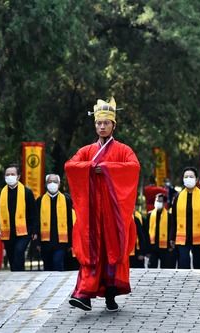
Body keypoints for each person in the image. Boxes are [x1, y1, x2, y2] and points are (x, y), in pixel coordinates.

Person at [66, 97, 140, 312]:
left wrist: (106, 168)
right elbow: (70, 165)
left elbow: (134, 167)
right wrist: (89, 168)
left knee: (111, 253)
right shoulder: (87, 151)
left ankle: (110, 294)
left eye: (106, 123)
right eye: (99, 123)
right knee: (90, 252)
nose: (102, 126)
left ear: (113, 125)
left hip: (112, 213)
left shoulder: (124, 150)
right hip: (91, 214)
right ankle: (83, 294)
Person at [0, 164, 38, 271]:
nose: (10, 176)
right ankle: (17, 275)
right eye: (7, 174)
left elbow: (33, 213)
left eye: (12, 174)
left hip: (24, 231)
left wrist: (35, 231)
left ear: (18, 176)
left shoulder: (27, 192)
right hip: (7, 232)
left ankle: (19, 275)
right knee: (12, 256)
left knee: (19, 251)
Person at [170, 167, 200, 269]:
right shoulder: (178, 197)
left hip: (199, 237)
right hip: (182, 236)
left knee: (199, 265)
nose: (188, 178)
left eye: (191, 176)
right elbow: (173, 218)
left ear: (196, 179)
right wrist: (171, 237)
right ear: (183, 179)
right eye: (186, 176)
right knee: (183, 263)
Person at [36, 174, 74, 271]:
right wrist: (38, 243)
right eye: (50, 182)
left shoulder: (66, 200)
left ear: (59, 184)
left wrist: (71, 243)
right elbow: (37, 222)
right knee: (48, 267)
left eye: (55, 182)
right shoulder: (40, 200)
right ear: (46, 184)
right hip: (45, 242)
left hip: (61, 241)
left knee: (58, 263)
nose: (52, 184)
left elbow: (70, 222)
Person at [146, 193, 176, 268]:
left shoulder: (169, 216)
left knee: (165, 269)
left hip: (165, 248)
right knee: (151, 269)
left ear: (164, 203)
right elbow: (146, 232)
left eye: (160, 201)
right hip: (153, 247)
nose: (158, 203)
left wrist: (170, 245)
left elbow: (171, 230)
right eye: (157, 201)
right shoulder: (149, 215)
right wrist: (147, 249)